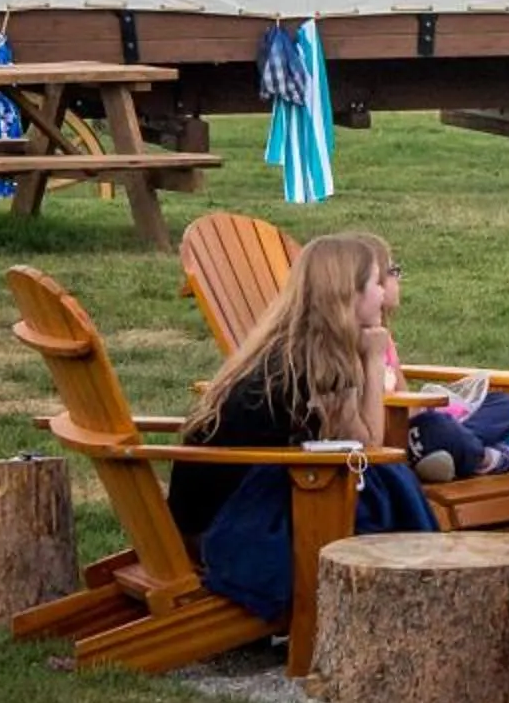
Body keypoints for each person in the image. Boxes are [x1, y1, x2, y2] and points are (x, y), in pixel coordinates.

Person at [168, 231, 435, 621]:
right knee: (387, 479)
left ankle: (405, 586)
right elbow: (369, 445)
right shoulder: (318, 361)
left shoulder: (294, 347)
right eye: (375, 283)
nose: (383, 293)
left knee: (379, 481)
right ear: (348, 293)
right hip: (232, 531)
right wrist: (375, 359)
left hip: (208, 516)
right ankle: (409, 589)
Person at [374, 234, 509, 484]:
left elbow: (409, 405)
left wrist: (441, 412)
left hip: (416, 427)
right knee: (437, 427)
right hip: (397, 442)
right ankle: (488, 459)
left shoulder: (386, 340)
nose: (399, 279)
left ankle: (450, 455)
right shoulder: (353, 347)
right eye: (393, 271)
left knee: (506, 403)